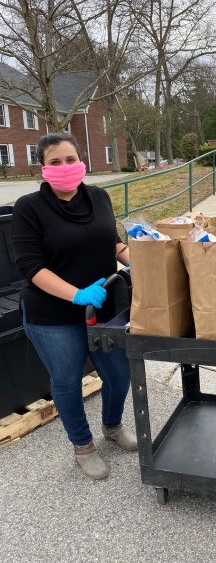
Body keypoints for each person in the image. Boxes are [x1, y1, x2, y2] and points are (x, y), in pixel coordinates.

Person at [12, 132, 136, 480]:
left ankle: (112, 426)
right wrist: (77, 294)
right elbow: (30, 267)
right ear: (42, 168)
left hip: (104, 309)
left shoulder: (99, 197)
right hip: (52, 314)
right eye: (55, 162)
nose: (64, 167)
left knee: (119, 374)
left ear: (82, 161)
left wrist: (139, 258)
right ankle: (83, 447)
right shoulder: (29, 208)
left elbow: (111, 243)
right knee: (67, 381)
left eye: (70, 159)